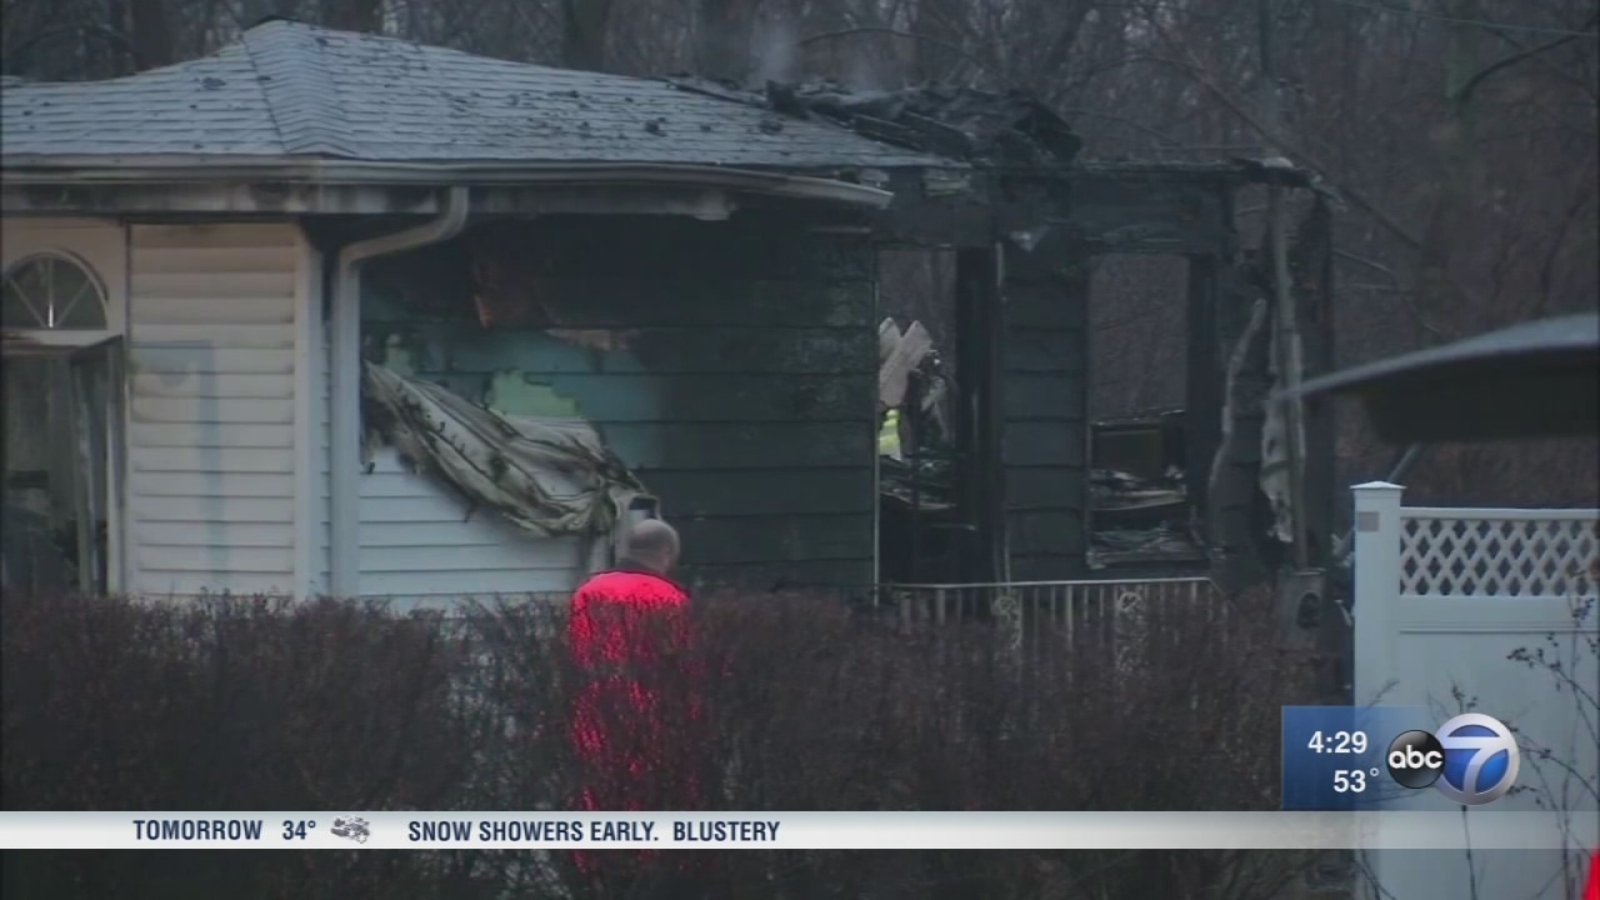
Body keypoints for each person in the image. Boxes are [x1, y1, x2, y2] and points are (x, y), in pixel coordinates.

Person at [567, 519, 699, 876]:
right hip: (649, 701)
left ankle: (592, 868)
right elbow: (681, 659)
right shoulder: (667, 597)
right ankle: (648, 868)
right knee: (649, 791)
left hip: (591, 701)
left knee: (597, 789)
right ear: (667, 552)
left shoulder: (588, 591)